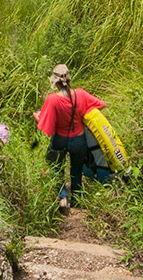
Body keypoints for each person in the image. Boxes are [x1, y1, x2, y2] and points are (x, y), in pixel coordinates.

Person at [33, 64, 105, 211]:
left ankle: (63, 198)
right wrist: (84, 115)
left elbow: (43, 121)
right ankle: (76, 201)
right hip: (79, 140)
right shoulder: (81, 94)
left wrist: (36, 115)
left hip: (60, 139)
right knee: (76, 171)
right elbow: (101, 105)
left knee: (57, 169)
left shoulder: (53, 99)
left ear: (55, 82)